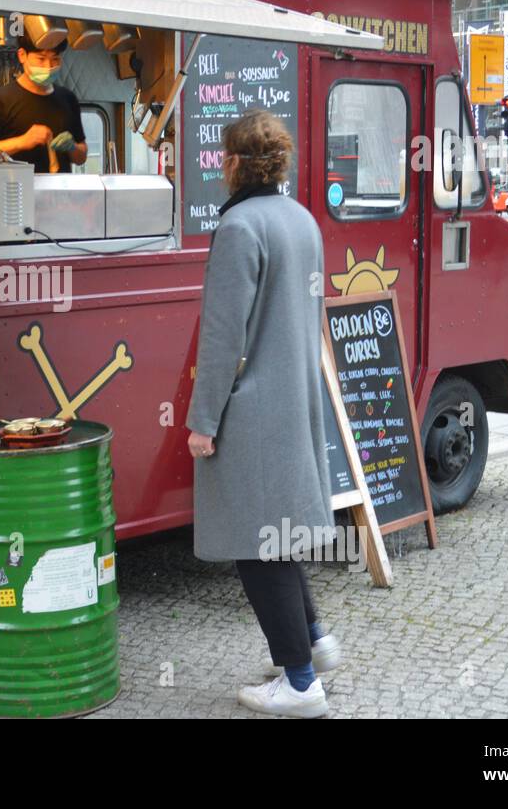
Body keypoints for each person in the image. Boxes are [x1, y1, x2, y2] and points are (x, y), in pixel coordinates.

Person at [186, 109, 338, 719]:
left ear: (231, 164)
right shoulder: (301, 220)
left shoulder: (240, 228)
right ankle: (318, 642)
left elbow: (223, 337)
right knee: (277, 533)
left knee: (258, 543)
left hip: (251, 408)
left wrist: (203, 419)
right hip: (294, 397)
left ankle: (301, 683)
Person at [0, 28, 87, 172]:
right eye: (41, 59)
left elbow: (81, 158)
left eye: (55, 59)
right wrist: (22, 142)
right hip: (15, 190)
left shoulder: (68, 99)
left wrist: (72, 147)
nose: (48, 67)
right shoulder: (1, 99)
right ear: (22, 55)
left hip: (58, 191)